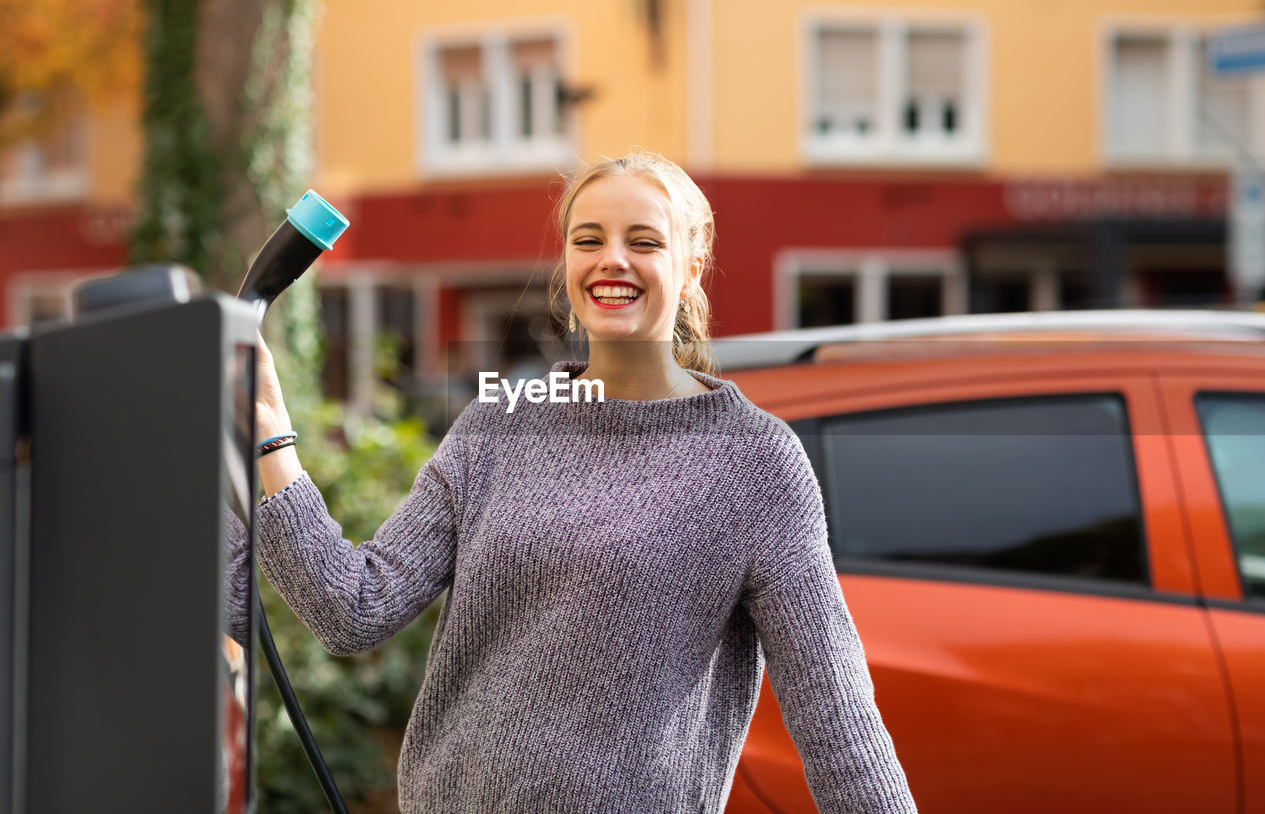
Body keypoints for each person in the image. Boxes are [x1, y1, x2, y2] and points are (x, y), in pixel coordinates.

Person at [228, 149, 918, 814]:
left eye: (643, 240)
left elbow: (837, 717)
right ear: (568, 263)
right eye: (589, 239)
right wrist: (269, 437)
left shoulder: (755, 461)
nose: (612, 258)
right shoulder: (498, 425)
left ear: (690, 267)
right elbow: (354, 608)